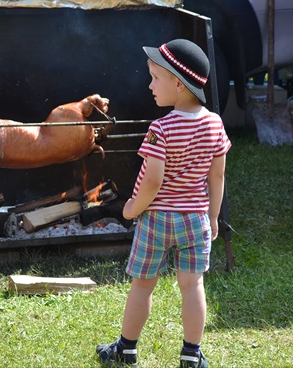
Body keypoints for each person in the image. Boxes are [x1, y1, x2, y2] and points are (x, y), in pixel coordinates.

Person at [96, 39, 231, 367]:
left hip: (157, 220)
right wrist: (213, 217)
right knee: (192, 285)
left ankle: (126, 349)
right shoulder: (214, 124)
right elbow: (217, 177)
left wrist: (132, 207)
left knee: (142, 286)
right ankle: (191, 355)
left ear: (179, 85)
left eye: (156, 77)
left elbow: (152, 179)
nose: (150, 84)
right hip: (195, 220)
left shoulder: (161, 129)